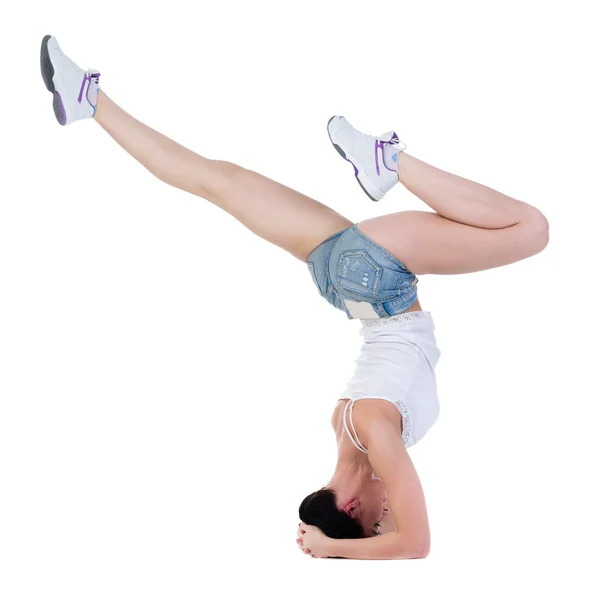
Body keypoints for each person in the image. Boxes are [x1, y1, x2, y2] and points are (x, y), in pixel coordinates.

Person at [40, 35, 550, 560]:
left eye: (374, 521)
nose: (387, 515)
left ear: (352, 510)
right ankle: (88, 101)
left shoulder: (377, 434)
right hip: (339, 281)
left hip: (381, 277)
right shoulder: (344, 423)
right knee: (213, 179)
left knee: (530, 230)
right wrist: (334, 531)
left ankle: (389, 162)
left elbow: (415, 544)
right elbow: (389, 514)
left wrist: (333, 547)